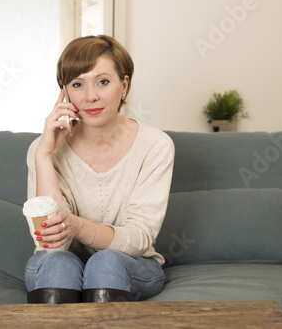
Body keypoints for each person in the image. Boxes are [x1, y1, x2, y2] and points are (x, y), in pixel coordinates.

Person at [25, 35, 175, 304]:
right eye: (78, 84)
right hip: (57, 264)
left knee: (105, 263)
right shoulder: (42, 149)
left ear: (124, 84)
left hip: (131, 264)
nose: (90, 96)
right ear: (65, 93)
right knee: (59, 263)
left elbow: (139, 238)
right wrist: (44, 156)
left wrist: (79, 227)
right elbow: (53, 245)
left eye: (103, 82)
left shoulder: (156, 145)